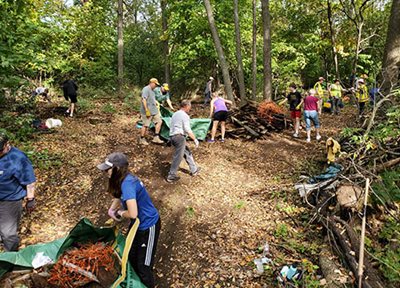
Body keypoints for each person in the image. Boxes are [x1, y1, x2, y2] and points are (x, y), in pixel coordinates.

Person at [97, 152, 160, 288]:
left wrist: (119, 212)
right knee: (130, 256)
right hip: (137, 224)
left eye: (108, 169)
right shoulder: (121, 179)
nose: (106, 172)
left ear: (117, 169)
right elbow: (118, 196)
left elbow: (133, 213)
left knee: (144, 267)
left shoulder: (128, 183)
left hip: (148, 225)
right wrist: (111, 209)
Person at [0, 132, 36, 251]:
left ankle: (10, 261)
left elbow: (29, 180)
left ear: (7, 144)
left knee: (8, 233)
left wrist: (30, 199)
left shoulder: (17, 158)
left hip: (9, 200)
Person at [166, 100, 201, 183]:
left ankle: (194, 170)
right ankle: (171, 176)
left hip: (173, 136)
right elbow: (187, 129)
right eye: (190, 106)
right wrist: (195, 139)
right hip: (179, 137)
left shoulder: (175, 114)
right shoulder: (184, 115)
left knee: (187, 152)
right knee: (178, 157)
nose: (190, 108)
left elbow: (171, 126)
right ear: (186, 106)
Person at [139, 78, 164, 145]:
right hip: (147, 111)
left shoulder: (153, 90)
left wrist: (156, 102)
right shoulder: (146, 89)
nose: (156, 86)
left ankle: (156, 137)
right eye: (155, 84)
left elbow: (152, 99)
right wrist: (146, 110)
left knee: (159, 121)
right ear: (151, 83)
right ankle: (141, 139)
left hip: (154, 110)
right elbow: (144, 99)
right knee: (145, 125)